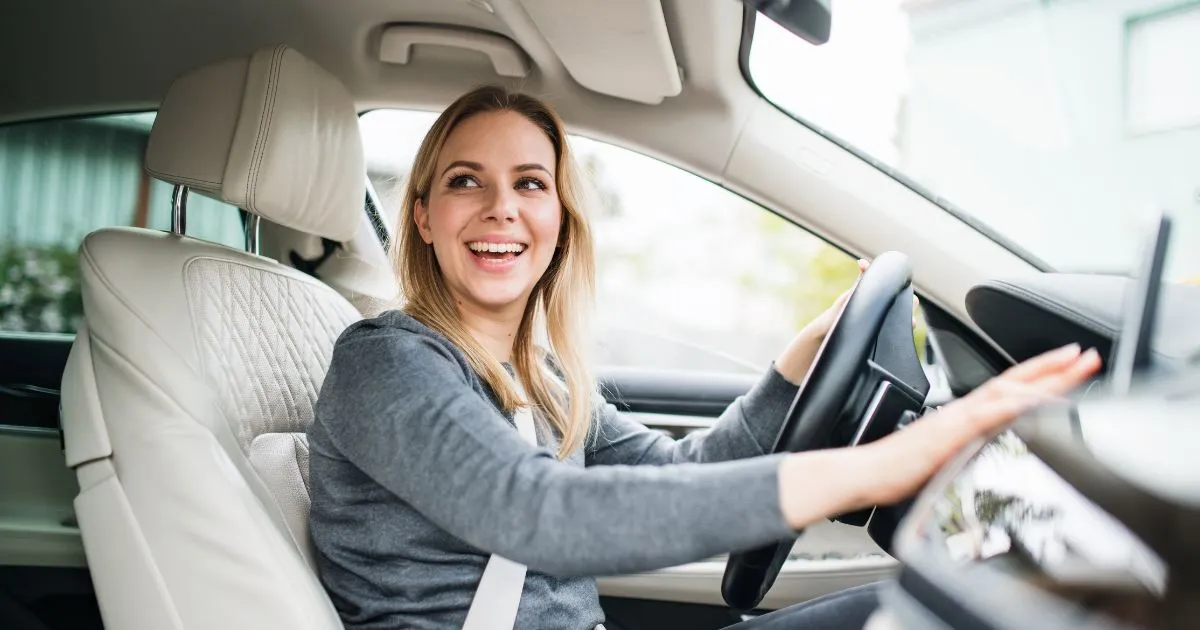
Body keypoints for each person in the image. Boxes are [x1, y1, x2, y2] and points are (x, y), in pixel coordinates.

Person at [306, 85, 1101, 630]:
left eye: (531, 183)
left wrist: (792, 370)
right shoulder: (385, 364)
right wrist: (882, 465)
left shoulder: (541, 380)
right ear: (422, 217)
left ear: (560, 218)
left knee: (932, 610)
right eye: (466, 182)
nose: (502, 208)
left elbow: (672, 471)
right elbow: (540, 516)